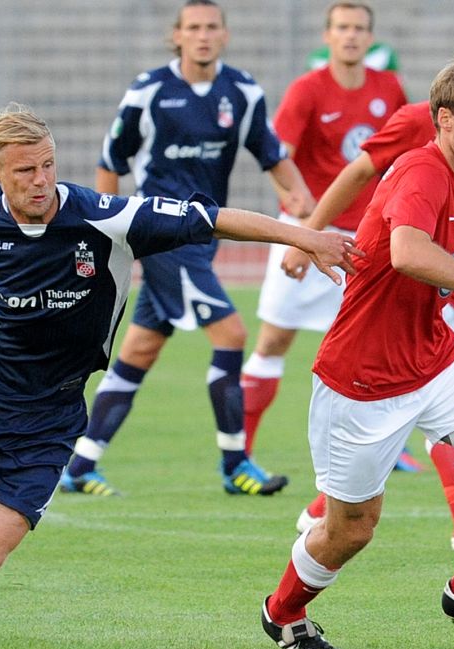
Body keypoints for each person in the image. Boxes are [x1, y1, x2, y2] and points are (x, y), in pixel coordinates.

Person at [0, 102, 360, 649]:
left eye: (48, 166)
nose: (41, 181)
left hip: (50, 416)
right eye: (25, 171)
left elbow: (208, 219)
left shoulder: (101, 216)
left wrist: (304, 236)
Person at [259, 58, 454, 649]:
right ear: (445, 120)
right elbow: (407, 252)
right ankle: (283, 610)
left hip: (434, 360)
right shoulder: (421, 171)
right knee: (350, 531)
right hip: (362, 382)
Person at [292, 24, 454, 550]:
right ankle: (329, 525)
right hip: (388, 301)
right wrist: (306, 235)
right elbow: (367, 186)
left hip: (444, 302)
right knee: (355, 520)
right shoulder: (420, 138)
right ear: (449, 110)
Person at [59, 0, 315, 497]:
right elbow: (111, 160)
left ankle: (80, 464)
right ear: (175, 36)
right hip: (159, 233)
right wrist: (104, 226)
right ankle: (235, 465)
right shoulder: (149, 90)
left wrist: (299, 203)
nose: (202, 35)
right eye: (192, 28)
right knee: (232, 334)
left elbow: (272, 155)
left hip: (202, 237)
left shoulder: (241, 92)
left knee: (140, 348)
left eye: (211, 27)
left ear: (225, 35)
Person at [240, 2, 411, 462]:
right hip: (310, 232)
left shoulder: (389, 87)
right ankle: (240, 451)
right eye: (342, 28)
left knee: (378, 345)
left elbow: (403, 154)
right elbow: (278, 155)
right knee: (274, 340)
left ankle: (390, 448)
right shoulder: (307, 90)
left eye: (359, 28)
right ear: (327, 36)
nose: (351, 36)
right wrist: (298, 214)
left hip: (366, 240)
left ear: (371, 38)